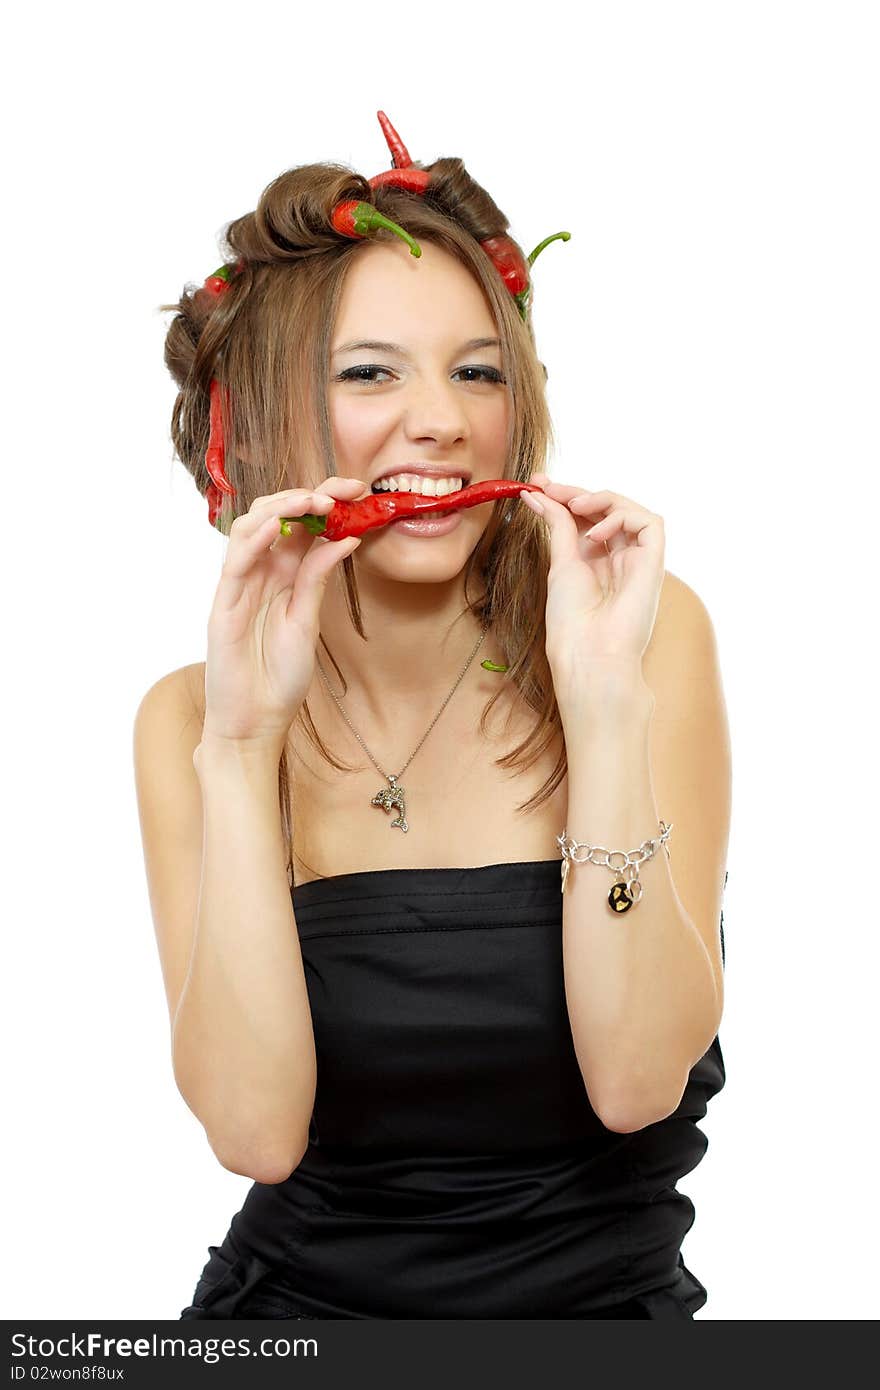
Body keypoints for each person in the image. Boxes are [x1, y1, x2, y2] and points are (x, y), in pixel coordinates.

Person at [133, 112, 729, 1321]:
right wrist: (244, 752)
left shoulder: (644, 631)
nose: (441, 422)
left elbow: (633, 1080)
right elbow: (254, 1129)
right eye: (369, 372)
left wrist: (604, 710)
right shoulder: (190, 718)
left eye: (477, 369)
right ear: (258, 412)